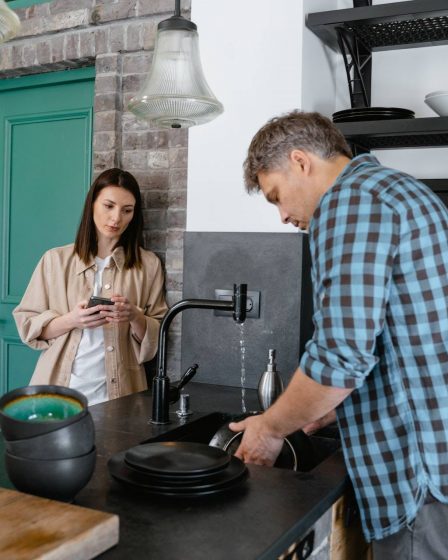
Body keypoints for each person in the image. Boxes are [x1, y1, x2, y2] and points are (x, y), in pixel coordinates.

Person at [230, 110, 448, 558]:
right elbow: (403, 334)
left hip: (414, 468)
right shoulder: (401, 192)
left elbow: (340, 358)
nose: (283, 215)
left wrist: (270, 429)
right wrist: (326, 410)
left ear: (300, 161)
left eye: (276, 196)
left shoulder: (350, 204)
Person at [13, 168, 168, 406]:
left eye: (127, 210)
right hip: (59, 391)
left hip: (122, 393)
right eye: (109, 206)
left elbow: (158, 333)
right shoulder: (54, 260)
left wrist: (134, 316)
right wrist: (73, 319)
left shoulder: (148, 265)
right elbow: (28, 327)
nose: (117, 218)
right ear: (92, 204)